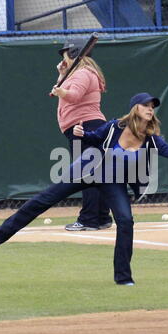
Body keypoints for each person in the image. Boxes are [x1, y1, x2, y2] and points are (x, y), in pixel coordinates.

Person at [0, 92, 168, 286]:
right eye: (145, 105)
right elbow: (94, 137)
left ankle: (123, 277)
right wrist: (81, 133)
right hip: (87, 170)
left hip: (113, 181)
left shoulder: (151, 139)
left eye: (152, 106)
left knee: (125, 220)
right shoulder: (115, 127)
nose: (150, 109)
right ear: (135, 108)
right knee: (44, 199)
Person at [50, 38, 112, 232]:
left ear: (75, 54)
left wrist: (61, 91)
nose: (64, 59)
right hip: (88, 126)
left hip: (84, 127)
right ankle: (101, 217)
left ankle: (89, 219)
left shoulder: (83, 73)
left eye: (66, 54)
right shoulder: (79, 74)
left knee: (86, 174)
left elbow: (74, 95)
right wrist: (61, 76)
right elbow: (70, 90)